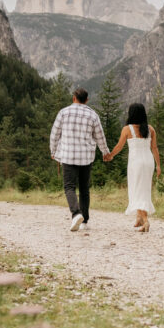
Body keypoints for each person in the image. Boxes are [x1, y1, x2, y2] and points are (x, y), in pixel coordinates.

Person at [50, 87, 110, 232]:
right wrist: (105, 152)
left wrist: (53, 151)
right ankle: (85, 221)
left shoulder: (63, 113)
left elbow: (55, 134)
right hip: (86, 157)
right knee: (84, 189)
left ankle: (76, 213)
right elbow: (99, 136)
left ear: (74, 98)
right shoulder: (93, 115)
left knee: (69, 187)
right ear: (87, 100)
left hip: (68, 155)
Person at [104, 103, 161, 232]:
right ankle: (139, 218)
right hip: (148, 162)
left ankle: (145, 221)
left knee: (137, 190)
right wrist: (158, 165)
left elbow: (119, 147)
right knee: (144, 190)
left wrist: (110, 155)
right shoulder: (150, 129)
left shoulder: (127, 129)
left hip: (136, 163)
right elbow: (155, 148)